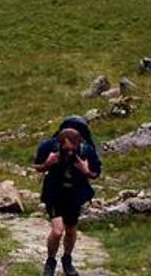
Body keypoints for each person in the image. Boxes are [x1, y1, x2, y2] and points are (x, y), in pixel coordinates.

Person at [34, 116, 101, 276]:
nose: (70, 152)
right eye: (66, 149)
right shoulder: (48, 147)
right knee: (57, 231)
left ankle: (67, 259)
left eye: (73, 149)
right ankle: (50, 262)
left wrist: (86, 171)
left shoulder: (87, 150)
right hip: (54, 192)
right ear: (60, 143)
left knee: (71, 230)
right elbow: (37, 166)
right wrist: (47, 164)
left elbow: (96, 173)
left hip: (74, 193)